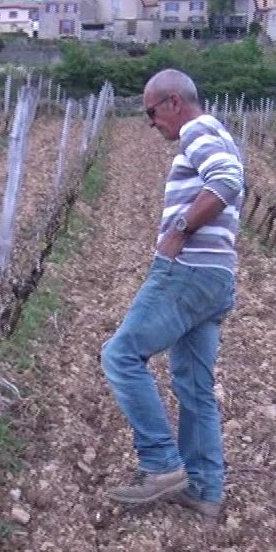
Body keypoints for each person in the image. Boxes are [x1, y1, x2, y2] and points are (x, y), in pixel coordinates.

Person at [100, 68, 244, 522]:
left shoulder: (198, 130)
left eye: (151, 112)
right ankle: (204, 491)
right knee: (195, 387)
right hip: (217, 278)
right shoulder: (217, 131)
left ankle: (162, 465)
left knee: (121, 355)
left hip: (187, 273)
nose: (150, 123)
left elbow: (225, 180)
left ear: (173, 103)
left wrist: (179, 230)